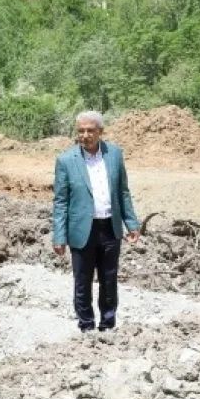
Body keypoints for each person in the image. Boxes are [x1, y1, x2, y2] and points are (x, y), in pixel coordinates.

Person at [52, 111, 141, 332]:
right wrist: (59, 235)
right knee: (82, 282)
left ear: (100, 132)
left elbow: (123, 192)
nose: (85, 135)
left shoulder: (114, 155)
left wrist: (131, 223)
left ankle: (108, 324)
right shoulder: (65, 160)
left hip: (110, 227)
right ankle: (86, 326)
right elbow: (61, 201)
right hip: (82, 230)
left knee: (109, 280)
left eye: (90, 130)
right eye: (81, 130)